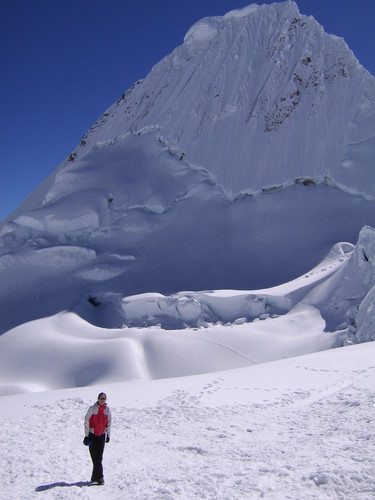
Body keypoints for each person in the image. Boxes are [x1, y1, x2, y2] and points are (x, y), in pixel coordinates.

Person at [83, 392, 112, 485]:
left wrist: (108, 435)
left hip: (101, 436)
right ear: (98, 399)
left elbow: (109, 423)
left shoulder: (107, 410)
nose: (102, 400)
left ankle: (99, 477)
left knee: (99, 458)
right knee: (95, 458)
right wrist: (86, 435)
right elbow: (86, 421)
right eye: (101, 398)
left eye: (104, 398)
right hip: (92, 435)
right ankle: (96, 477)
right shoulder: (92, 409)